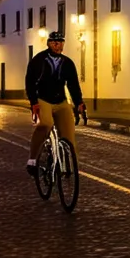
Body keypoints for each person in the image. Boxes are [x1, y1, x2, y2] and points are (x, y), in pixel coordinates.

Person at [24, 31, 85, 177]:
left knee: (69, 136)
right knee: (45, 124)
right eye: (54, 42)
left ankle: (65, 165)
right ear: (49, 44)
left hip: (61, 100)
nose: (57, 45)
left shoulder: (67, 63)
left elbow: (73, 85)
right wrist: (33, 102)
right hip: (43, 99)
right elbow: (30, 82)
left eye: (60, 42)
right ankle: (32, 160)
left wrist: (79, 103)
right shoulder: (38, 60)